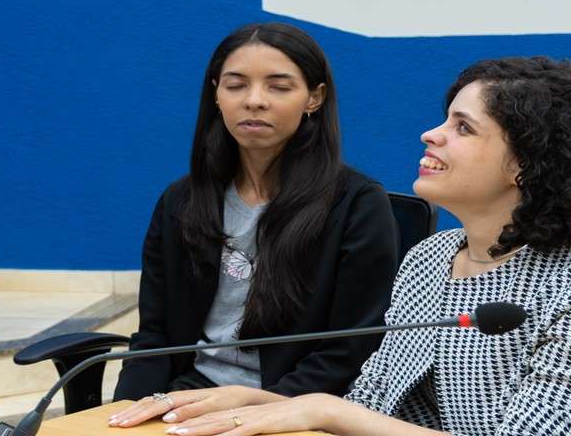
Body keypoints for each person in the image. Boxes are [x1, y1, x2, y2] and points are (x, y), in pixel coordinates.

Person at [120, 57, 571, 436]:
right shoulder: (430, 258)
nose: (431, 134)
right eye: (444, 120)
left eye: (463, 128)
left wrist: (325, 411)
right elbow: (371, 406)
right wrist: (260, 403)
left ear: (528, 164)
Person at [107, 23, 399, 427]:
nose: (254, 101)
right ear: (216, 94)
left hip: (296, 406)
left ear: (314, 97)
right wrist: (121, 414)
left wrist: (265, 411)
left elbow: (351, 350)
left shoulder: (357, 205)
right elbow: (155, 337)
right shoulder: (181, 201)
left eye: (278, 87)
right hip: (191, 396)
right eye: (236, 85)